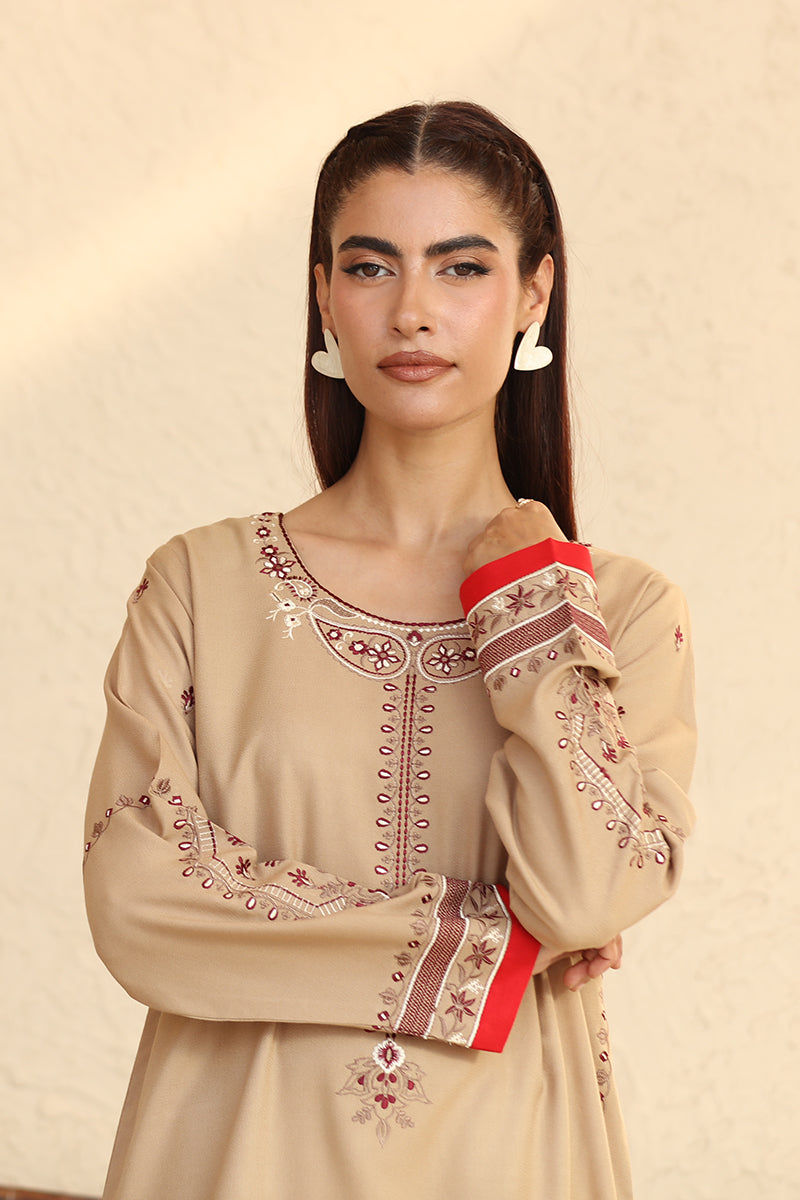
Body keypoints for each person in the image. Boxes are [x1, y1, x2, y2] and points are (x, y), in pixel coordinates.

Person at [84, 100, 696, 1199]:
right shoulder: (203, 587)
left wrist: (527, 602)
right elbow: (137, 895)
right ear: (323, 294)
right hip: (231, 1160)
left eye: (460, 270)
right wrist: (491, 948)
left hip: (511, 1160)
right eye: (370, 269)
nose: (411, 311)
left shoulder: (616, 610)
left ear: (533, 294)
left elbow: (585, 891)